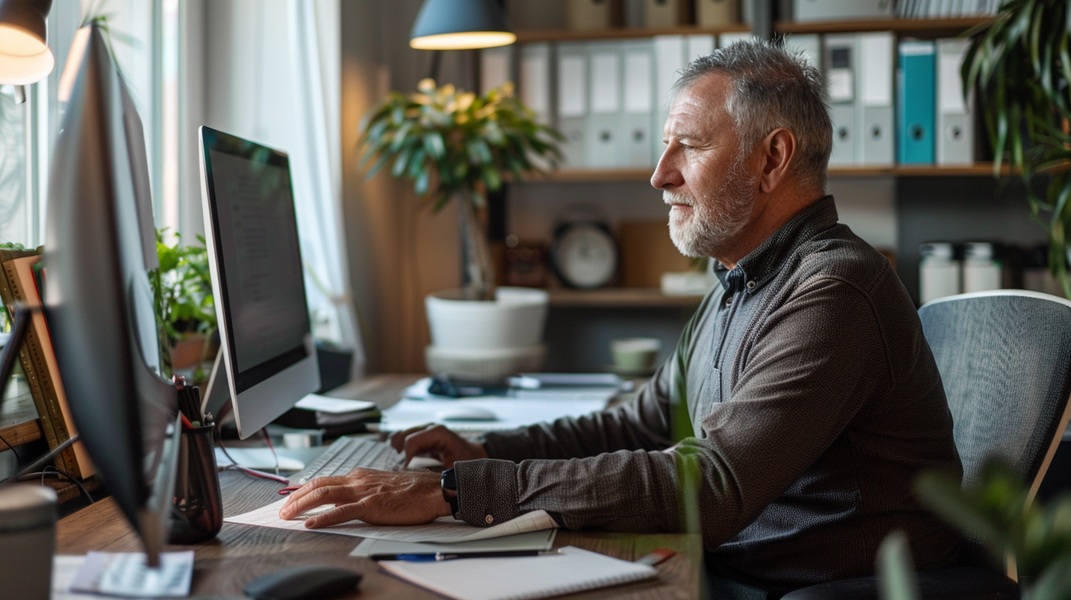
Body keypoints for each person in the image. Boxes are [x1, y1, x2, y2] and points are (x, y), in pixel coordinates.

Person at [279, 39, 963, 595]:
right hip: (742, 567)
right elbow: (642, 421)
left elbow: (713, 486)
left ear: (772, 159)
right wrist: (486, 453)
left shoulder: (834, 289)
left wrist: (452, 493)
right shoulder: (741, 276)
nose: (658, 174)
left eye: (687, 146)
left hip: (808, 584)